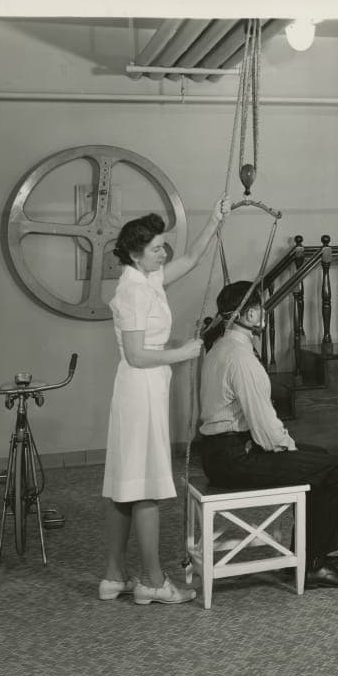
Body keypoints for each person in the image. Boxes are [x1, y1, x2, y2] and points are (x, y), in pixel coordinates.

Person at [99, 197, 233, 604]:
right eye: (157, 248)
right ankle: (153, 582)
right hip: (140, 387)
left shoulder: (146, 278)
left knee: (125, 482)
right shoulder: (133, 292)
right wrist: (182, 353)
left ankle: (114, 577)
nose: (164, 253)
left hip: (143, 387)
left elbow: (191, 258)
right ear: (136, 254)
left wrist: (215, 219)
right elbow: (136, 355)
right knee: (145, 487)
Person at [198, 280, 338, 589]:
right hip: (232, 458)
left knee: (321, 458)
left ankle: (310, 552)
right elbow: (264, 428)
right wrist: (288, 448)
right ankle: (312, 566)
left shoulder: (221, 346)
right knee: (332, 469)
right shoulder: (240, 357)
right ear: (249, 315)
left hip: (221, 451)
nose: (263, 314)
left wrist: (292, 450)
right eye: (259, 308)